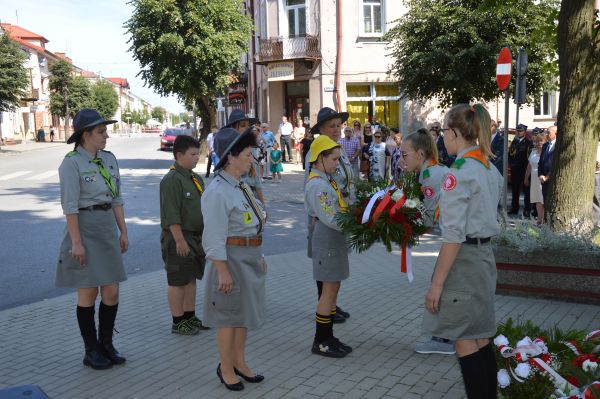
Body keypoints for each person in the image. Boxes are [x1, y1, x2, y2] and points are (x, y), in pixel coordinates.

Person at [423, 103, 502, 399]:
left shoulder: (459, 172)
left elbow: (453, 235)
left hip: (465, 261)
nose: (442, 137)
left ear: (455, 133)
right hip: (483, 258)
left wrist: (437, 285)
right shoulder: (486, 166)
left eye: (443, 131)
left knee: (464, 341)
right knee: (480, 338)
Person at [55, 109, 128, 370]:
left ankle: (106, 344)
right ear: (86, 135)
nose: (106, 136)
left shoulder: (109, 159)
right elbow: (70, 207)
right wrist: (76, 242)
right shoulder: (72, 162)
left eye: (105, 131)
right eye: (101, 131)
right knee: (88, 291)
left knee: (111, 290)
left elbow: (117, 198)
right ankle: (91, 350)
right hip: (84, 229)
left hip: (106, 227)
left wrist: (123, 230)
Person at [201, 127, 267, 391]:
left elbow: (252, 225)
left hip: (247, 258)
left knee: (243, 316)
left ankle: (240, 362)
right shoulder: (218, 191)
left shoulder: (240, 185)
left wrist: (257, 255)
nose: (252, 158)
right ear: (231, 157)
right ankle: (225, 368)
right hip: (228, 261)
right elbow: (213, 236)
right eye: (248, 154)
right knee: (228, 318)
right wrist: (222, 271)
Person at [398, 128, 454, 355]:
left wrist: (401, 228)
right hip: (455, 236)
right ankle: (445, 337)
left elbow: (429, 219)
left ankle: (444, 340)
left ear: (420, 154)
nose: (401, 159)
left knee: (441, 284)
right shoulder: (430, 171)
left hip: (456, 238)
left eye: (405, 154)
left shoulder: (430, 176)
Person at [305, 135, 352, 358]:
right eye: (333, 159)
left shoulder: (328, 181)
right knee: (328, 291)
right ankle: (321, 340)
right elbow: (332, 217)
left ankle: (329, 335)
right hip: (327, 239)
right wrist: (357, 219)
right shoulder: (318, 186)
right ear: (319, 158)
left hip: (334, 239)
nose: (336, 163)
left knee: (334, 290)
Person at [160, 135, 209, 336]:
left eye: (198, 153)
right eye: (193, 154)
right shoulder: (171, 180)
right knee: (178, 280)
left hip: (195, 237)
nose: (197, 157)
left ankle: (189, 316)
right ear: (179, 155)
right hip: (178, 237)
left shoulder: (194, 178)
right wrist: (179, 240)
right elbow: (172, 214)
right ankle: (177, 321)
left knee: (191, 278)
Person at [223, 110, 266, 205]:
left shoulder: (252, 148)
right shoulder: (227, 151)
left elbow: (257, 180)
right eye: (243, 125)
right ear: (232, 128)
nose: (247, 128)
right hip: (237, 199)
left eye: (248, 125)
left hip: (253, 197)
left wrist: (262, 204)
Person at [508, 123, 533, 217]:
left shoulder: (528, 143)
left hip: (524, 170)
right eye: (517, 130)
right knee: (515, 190)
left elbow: (529, 158)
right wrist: (512, 164)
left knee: (526, 191)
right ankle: (514, 208)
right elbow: (510, 154)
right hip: (515, 170)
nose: (518, 132)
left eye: (520, 131)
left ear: (524, 132)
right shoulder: (514, 142)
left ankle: (527, 209)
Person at [525, 133, 546, 224]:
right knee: (536, 198)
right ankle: (539, 219)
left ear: (545, 142)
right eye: (537, 141)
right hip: (533, 178)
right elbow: (529, 166)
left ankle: (544, 219)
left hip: (542, 178)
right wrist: (526, 178)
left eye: (541, 141)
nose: (538, 143)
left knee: (543, 199)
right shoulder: (533, 151)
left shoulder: (546, 152)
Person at [538, 125, 557, 206]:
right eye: (546, 132)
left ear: (556, 133)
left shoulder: (558, 146)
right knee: (545, 201)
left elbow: (556, 164)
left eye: (548, 133)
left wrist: (547, 177)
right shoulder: (545, 145)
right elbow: (541, 162)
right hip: (543, 179)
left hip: (553, 179)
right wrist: (540, 174)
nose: (546, 134)